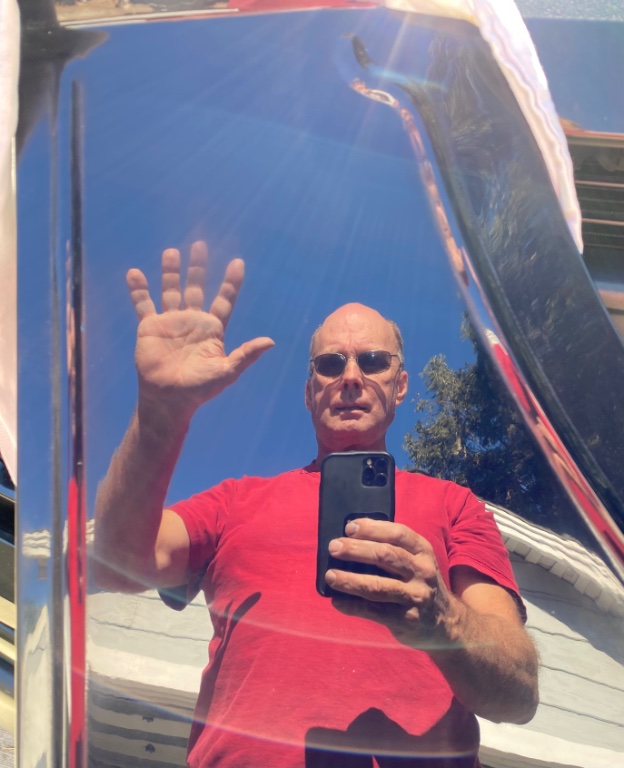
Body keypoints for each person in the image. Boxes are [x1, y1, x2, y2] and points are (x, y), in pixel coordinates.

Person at [94, 242, 539, 768]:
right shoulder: (235, 501)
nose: (350, 377)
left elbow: (518, 692)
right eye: (330, 364)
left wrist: (444, 620)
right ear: (309, 392)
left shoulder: (455, 505)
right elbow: (117, 561)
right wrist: (160, 412)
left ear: (400, 386)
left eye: (372, 361)